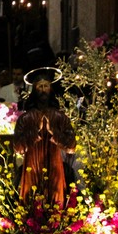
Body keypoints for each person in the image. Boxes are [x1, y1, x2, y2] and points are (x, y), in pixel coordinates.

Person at [13, 67, 77, 206]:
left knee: (55, 200)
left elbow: (72, 146)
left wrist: (54, 132)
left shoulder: (60, 117)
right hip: (32, 165)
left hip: (54, 164)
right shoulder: (25, 118)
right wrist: (34, 133)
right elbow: (18, 147)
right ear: (34, 90)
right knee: (32, 201)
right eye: (40, 86)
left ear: (51, 89)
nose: (43, 89)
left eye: (46, 86)